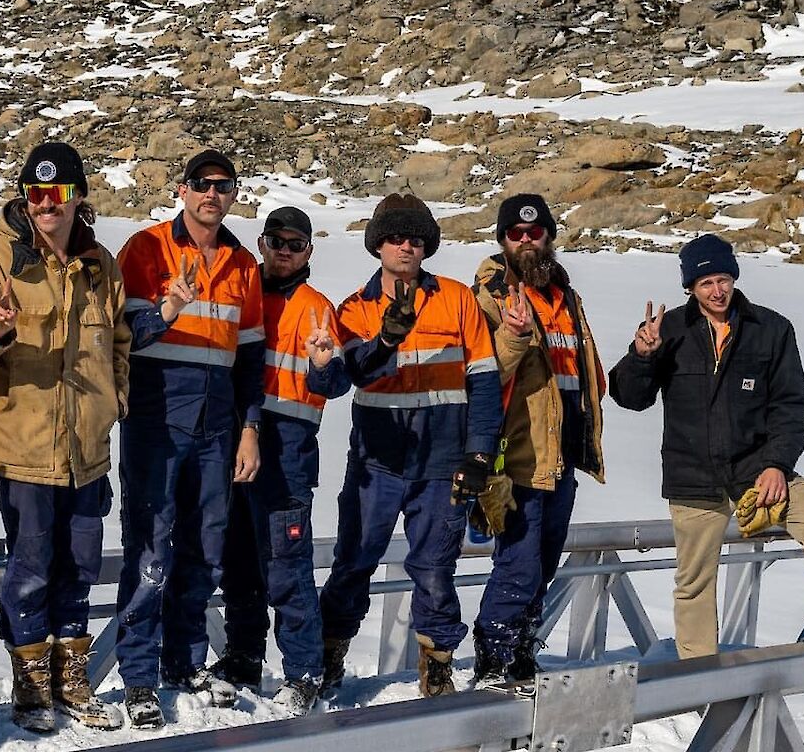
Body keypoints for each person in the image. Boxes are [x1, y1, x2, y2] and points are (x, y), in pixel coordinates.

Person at [607, 233, 804, 659]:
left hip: (758, 470)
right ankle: (698, 673)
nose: (717, 291)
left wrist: (776, 464)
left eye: (723, 279)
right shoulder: (669, 330)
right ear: (690, 288)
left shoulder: (770, 329)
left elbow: (791, 406)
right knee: (693, 581)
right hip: (693, 476)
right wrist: (642, 355)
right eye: (705, 283)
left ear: (734, 278)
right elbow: (629, 397)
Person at [0, 142, 129, 733]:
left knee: (79, 563)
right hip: (23, 447)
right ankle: (31, 680)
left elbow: (118, 342)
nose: (48, 205)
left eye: (60, 193)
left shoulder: (101, 264)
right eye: (37, 193)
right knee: (32, 567)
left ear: (78, 198)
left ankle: (71, 675)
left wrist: (113, 401)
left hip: (87, 450)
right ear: (25, 197)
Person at [313, 194, 502, 698]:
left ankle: (436, 663)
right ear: (378, 245)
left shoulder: (458, 299)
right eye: (396, 237)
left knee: (436, 567)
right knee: (354, 559)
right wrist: (387, 340)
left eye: (416, 239)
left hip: (443, 464)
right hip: (378, 463)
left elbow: (484, 381)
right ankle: (329, 653)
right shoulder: (355, 308)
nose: (406, 246)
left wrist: (481, 452)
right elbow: (355, 372)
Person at [113, 149, 265, 728]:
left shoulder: (243, 264)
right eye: (202, 184)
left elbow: (249, 359)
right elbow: (124, 336)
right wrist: (168, 309)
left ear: (232, 195)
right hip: (157, 419)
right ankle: (137, 675)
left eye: (223, 186)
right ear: (182, 189)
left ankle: (184, 661)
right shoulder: (146, 249)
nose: (212, 194)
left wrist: (249, 429)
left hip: (218, 425)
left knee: (205, 546)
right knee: (151, 547)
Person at [467, 194, 608, 684]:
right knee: (520, 561)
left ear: (549, 235)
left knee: (545, 558)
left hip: (563, 451)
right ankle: (495, 653)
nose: (526, 241)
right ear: (503, 240)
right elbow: (481, 376)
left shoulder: (566, 296)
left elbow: (585, 373)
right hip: (518, 451)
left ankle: (523, 647)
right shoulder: (491, 295)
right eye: (515, 234)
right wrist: (512, 334)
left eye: (535, 232)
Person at [213, 206, 348, 715]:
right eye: (276, 241)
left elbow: (334, 385)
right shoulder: (242, 292)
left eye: (296, 244)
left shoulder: (317, 307)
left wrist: (322, 364)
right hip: (232, 443)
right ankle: (243, 658)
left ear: (308, 251)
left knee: (286, 567)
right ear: (263, 242)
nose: (284, 251)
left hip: (287, 450)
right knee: (238, 560)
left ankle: (303, 671)